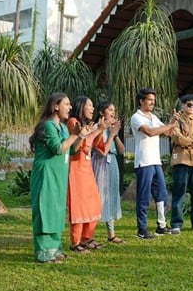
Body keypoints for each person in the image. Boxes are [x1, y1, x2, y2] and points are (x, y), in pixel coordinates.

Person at [29, 93, 91, 263]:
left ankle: (55, 249)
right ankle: (44, 252)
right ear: (55, 106)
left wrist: (80, 136)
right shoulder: (48, 125)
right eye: (66, 104)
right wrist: (74, 135)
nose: (70, 108)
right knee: (45, 210)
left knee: (56, 211)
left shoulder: (63, 127)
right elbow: (57, 148)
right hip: (46, 174)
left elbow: (71, 150)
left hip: (59, 174)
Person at [131, 87, 180, 239]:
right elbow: (151, 132)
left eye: (153, 100)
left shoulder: (153, 117)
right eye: (150, 100)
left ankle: (162, 226)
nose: (153, 102)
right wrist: (169, 126)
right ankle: (142, 229)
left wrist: (173, 122)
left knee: (162, 194)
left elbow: (167, 133)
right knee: (144, 197)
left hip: (155, 161)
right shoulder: (136, 117)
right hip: (144, 162)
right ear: (141, 101)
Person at [66, 96, 107, 254]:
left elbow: (94, 145)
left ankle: (86, 238)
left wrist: (100, 130)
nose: (92, 108)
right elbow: (77, 147)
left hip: (87, 166)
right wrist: (97, 130)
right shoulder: (73, 122)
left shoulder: (86, 124)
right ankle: (76, 242)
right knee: (79, 205)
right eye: (89, 105)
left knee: (93, 203)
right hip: (76, 167)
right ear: (81, 106)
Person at [169, 94, 193, 234]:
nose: (191, 107)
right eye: (189, 105)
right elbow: (178, 139)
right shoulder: (176, 121)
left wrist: (187, 140)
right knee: (179, 193)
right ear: (182, 105)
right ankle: (176, 224)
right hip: (181, 161)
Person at [91, 101, 126, 244]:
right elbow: (102, 151)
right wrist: (111, 134)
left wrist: (115, 134)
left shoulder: (112, 130)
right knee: (98, 197)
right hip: (100, 163)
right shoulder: (97, 128)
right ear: (101, 112)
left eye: (114, 110)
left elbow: (122, 151)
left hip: (113, 164)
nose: (113, 112)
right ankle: (88, 235)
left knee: (111, 195)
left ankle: (111, 234)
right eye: (110, 109)